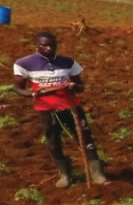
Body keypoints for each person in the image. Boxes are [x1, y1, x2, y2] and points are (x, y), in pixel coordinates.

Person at [13, 30, 106, 188]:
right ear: (36, 45)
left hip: (71, 107)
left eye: (52, 45)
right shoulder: (24, 64)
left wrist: (74, 86)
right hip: (46, 110)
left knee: (85, 138)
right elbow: (18, 88)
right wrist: (34, 94)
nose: (49, 48)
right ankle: (65, 175)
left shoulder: (68, 62)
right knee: (53, 142)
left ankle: (97, 174)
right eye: (44, 45)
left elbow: (80, 86)